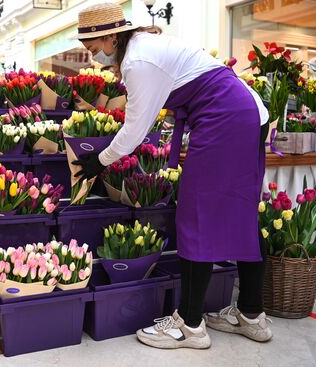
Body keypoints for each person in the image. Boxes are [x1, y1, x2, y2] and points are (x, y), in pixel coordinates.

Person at [72, 3, 273, 349]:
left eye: (93, 49)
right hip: (244, 112)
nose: (94, 58)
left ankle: (189, 325)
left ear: (108, 37)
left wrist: (100, 160)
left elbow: (135, 130)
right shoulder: (144, 47)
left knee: (196, 213)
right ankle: (252, 315)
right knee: (240, 213)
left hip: (225, 118)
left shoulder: (137, 60)